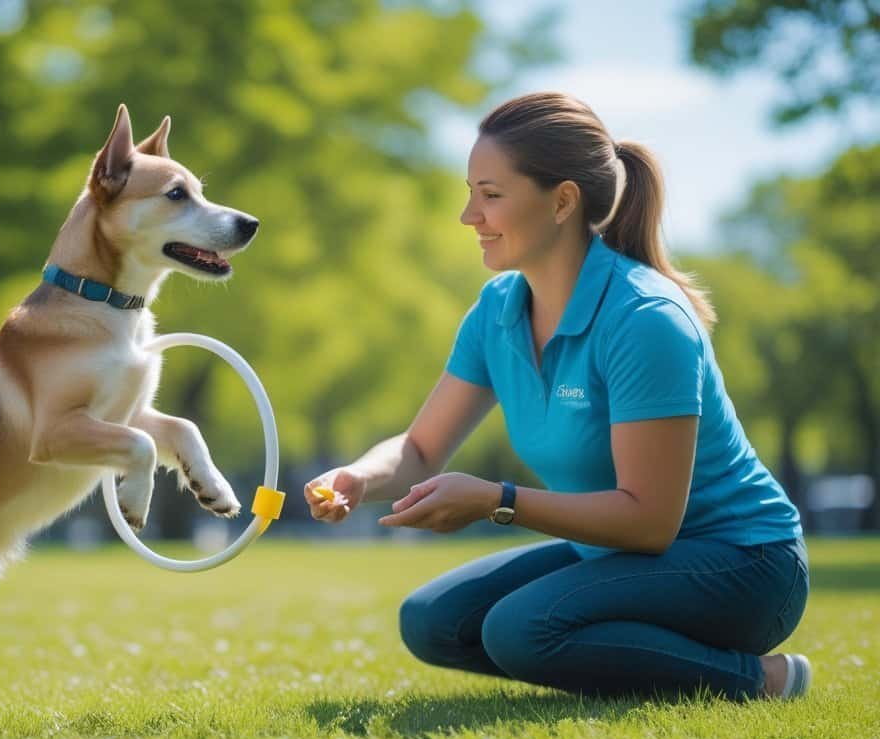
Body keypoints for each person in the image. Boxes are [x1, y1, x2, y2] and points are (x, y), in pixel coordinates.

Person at [304, 92, 810, 701]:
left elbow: (650, 521)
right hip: (620, 558)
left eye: (491, 195)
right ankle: (621, 659)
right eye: (470, 192)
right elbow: (418, 447)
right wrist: (359, 477)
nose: (470, 216)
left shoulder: (645, 318)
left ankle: (761, 679)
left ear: (563, 201)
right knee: (432, 620)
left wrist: (498, 500)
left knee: (521, 630)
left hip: (744, 566)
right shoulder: (498, 311)